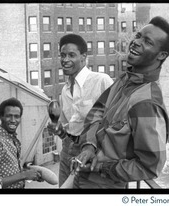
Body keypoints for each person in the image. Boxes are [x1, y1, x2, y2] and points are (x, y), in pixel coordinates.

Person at [74, 16, 169, 189]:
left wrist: (100, 167)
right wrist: (89, 146)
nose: (136, 42)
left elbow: (150, 166)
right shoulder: (125, 79)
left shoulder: (147, 102)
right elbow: (97, 111)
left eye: (147, 42)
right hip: (81, 176)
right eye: (138, 36)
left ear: (162, 55)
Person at [47, 34, 113, 187]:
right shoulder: (64, 90)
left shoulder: (101, 81)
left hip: (93, 153)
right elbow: (68, 131)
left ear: (83, 57)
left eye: (71, 55)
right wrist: (58, 130)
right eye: (62, 55)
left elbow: (114, 121)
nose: (65, 59)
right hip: (67, 151)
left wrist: (95, 149)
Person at [0, 97, 42, 188]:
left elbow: (9, 170)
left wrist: (30, 174)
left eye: (17, 116)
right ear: (1, 117)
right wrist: (24, 175)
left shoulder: (12, 139)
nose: (13, 120)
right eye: (8, 116)